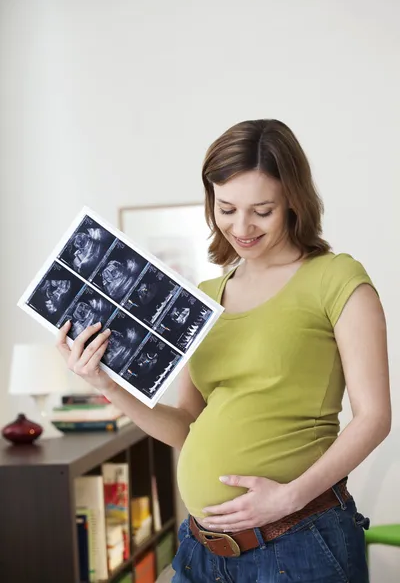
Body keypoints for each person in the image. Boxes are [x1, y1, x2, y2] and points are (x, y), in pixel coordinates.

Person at [56, 119, 391, 582]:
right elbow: (186, 426)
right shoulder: (205, 296)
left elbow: (374, 417)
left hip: (297, 543)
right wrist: (106, 384)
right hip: (200, 550)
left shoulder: (336, 278)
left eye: (262, 210)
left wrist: (289, 496)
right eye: (226, 208)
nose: (241, 227)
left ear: (293, 200)